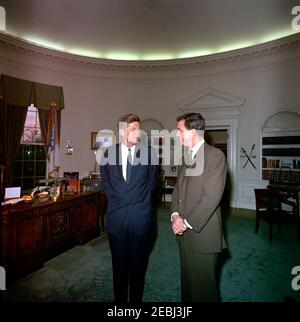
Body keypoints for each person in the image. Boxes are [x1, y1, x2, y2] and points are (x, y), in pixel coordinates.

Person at [100, 113, 159, 303]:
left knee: (137, 268)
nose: (138, 132)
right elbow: (106, 183)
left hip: (140, 220)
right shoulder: (108, 154)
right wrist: (118, 200)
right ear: (122, 131)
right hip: (116, 220)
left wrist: (139, 203)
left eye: (138, 128)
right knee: (118, 267)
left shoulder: (150, 154)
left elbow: (151, 185)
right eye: (134, 128)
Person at [171, 112, 227, 302]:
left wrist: (185, 222)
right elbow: (177, 192)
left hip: (203, 236)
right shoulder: (186, 157)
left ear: (193, 131)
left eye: (180, 131)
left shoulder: (215, 156)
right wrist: (175, 216)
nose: (177, 135)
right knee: (188, 288)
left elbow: (210, 198)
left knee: (204, 291)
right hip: (184, 234)